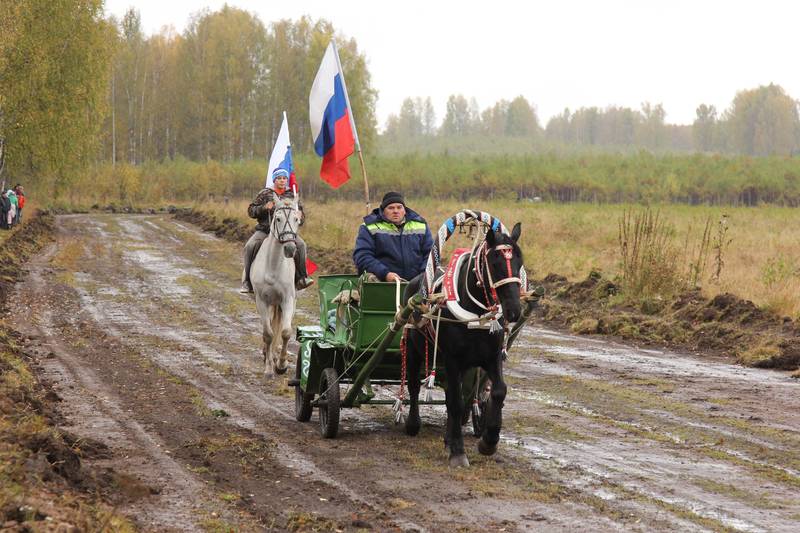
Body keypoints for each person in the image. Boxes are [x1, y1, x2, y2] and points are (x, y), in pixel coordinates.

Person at [240, 168, 314, 294]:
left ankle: (302, 278)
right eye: (279, 178)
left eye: (284, 178)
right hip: (265, 230)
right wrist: (264, 207)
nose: (282, 181)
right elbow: (251, 211)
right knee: (250, 246)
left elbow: (301, 219)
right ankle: (247, 281)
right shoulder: (265, 194)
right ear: (274, 180)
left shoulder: (292, 195)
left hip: (287, 233)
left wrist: (300, 216)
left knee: (301, 245)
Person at [353, 191, 433, 282]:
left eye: (399, 207)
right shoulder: (369, 227)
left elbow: (431, 254)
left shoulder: (420, 225)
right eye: (391, 208)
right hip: (383, 283)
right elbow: (362, 256)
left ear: (404, 210)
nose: (395, 211)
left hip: (417, 284)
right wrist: (385, 274)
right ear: (383, 211)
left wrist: (424, 275)